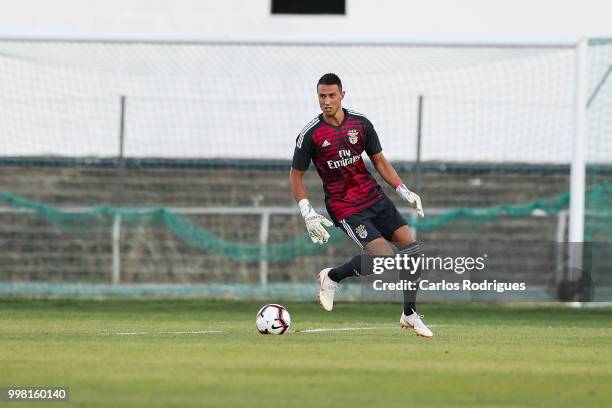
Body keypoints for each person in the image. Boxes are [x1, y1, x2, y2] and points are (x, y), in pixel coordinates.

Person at [289, 73, 433, 338]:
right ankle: (332, 277)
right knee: (384, 259)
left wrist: (403, 190)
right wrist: (307, 211)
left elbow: (379, 161)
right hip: (345, 206)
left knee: (411, 251)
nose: (327, 101)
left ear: (343, 95)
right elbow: (295, 176)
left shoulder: (361, 124)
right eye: (322, 96)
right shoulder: (310, 135)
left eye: (332, 95)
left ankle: (410, 313)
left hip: (375, 197)